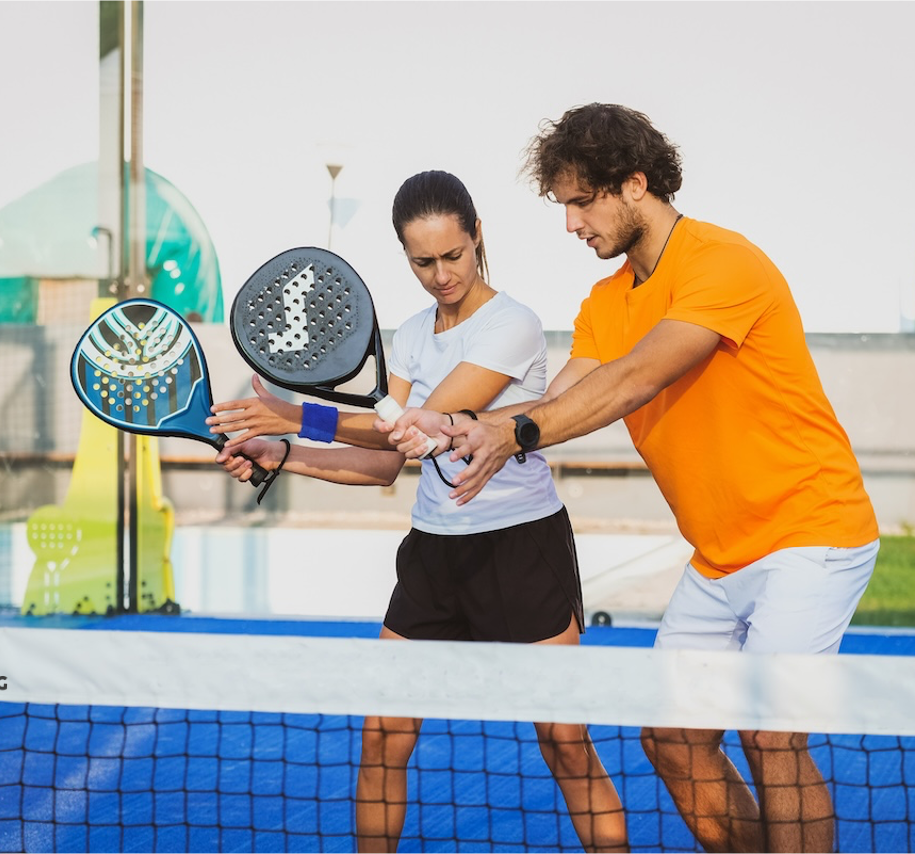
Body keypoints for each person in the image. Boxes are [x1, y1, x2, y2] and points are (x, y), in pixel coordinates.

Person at [387, 105, 880, 854]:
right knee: (671, 739)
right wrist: (460, 423)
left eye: (582, 202)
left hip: (810, 535)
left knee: (770, 734)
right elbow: (560, 400)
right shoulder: (605, 302)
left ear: (635, 185)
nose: (571, 224)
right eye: (564, 205)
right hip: (719, 557)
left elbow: (632, 380)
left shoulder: (722, 263)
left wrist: (510, 431)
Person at [207, 170, 628, 854]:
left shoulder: (512, 325)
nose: (441, 275)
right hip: (434, 553)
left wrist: (295, 415)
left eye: (452, 255)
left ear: (477, 236)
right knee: (383, 735)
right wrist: (279, 452)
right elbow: (384, 461)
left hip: (520, 547)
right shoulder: (408, 337)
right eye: (422, 261)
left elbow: (426, 424)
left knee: (563, 740)